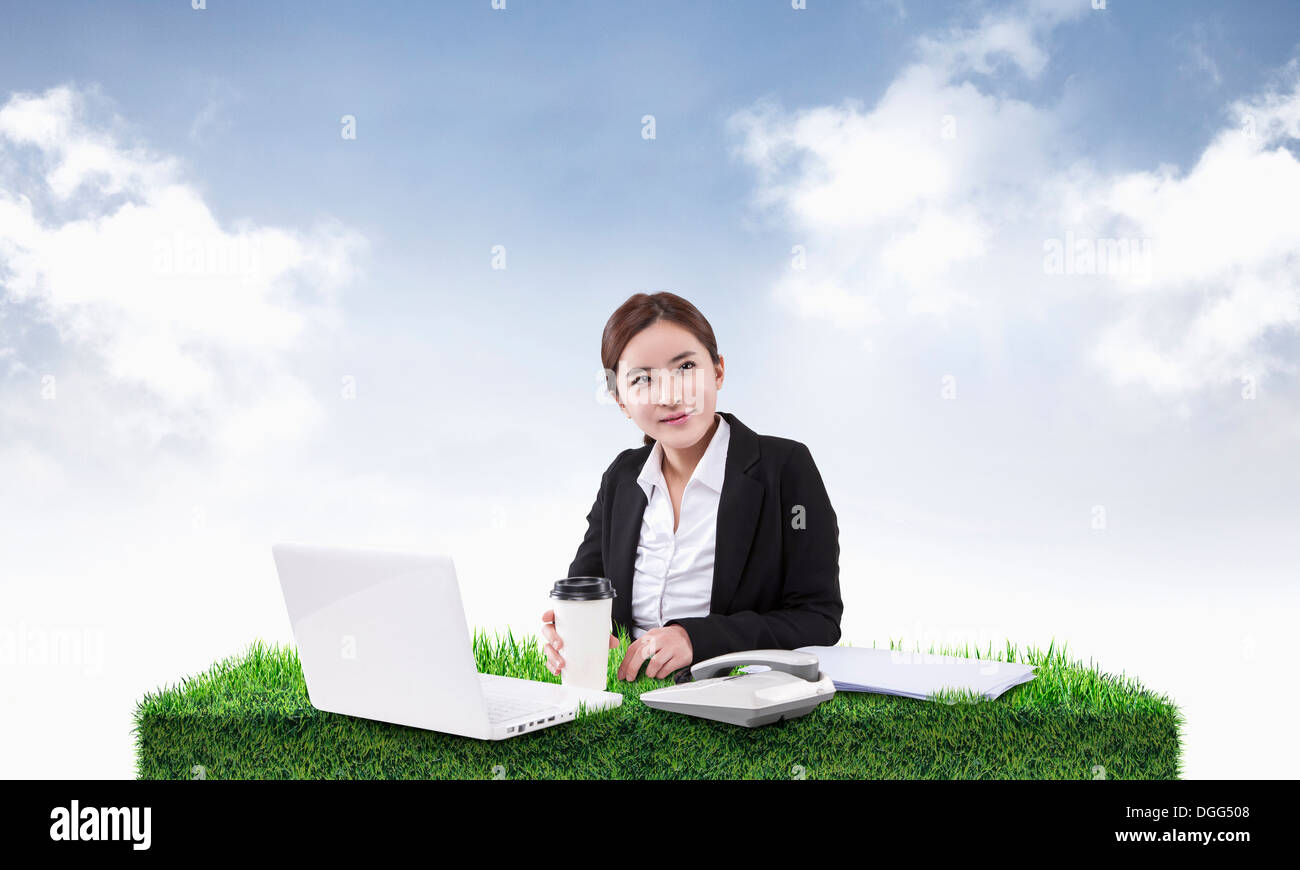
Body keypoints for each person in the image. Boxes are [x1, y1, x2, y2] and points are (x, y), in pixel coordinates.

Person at [542, 291, 843, 682]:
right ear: (620, 400)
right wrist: (566, 628)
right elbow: (587, 590)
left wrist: (696, 639)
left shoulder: (785, 468)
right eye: (643, 379)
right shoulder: (621, 477)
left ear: (718, 371)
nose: (670, 396)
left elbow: (818, 619)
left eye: (685, 367)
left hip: (728, 696)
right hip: (629, 692)